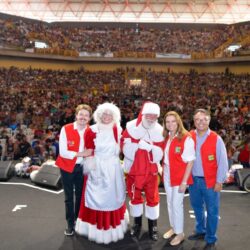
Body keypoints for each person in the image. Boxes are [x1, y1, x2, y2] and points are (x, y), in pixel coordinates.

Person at [75, 103, 129, 244]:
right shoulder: (91, 131)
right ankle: (95, 228)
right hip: (97, 168)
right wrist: (72, 155)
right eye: (104, 114)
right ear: (99, 115)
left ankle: (113, 227)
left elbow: (123, 148)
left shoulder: (118, 129)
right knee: (96, 198)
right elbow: (88, 151)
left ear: (114, 116)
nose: (106, 117)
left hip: (113, 168)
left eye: (109, 114)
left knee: (114, 197)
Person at [121, 102, 164, 241]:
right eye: (149, 115)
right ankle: (137, 225)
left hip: (151, 172)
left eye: (154, 116)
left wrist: (151, 148)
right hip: (134, 171)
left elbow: (161, 152)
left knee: (153, 198)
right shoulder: (130, 127)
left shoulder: (159, 130)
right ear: (143, 114)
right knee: (135, 198)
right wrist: (136, 146)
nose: (151, 118)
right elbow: (124, 147)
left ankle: (153, 227)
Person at [188, 109, 228, 250]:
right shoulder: (189, 136)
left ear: (209, 120)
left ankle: (211, 237)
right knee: (197, 207)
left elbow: (223, 162)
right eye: (198, 119)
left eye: (204, 119)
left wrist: (219, 181)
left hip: (210, 181)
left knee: (212, 211)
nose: (201, 122)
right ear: (194, 121)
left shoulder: (216, 139)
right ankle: (200, 230)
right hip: (193, 181)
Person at [55, 104, 93, 236]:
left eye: (86, 115)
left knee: (81, 196)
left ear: (89, 118)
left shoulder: (91, 131)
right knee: (69, 197)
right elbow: (64, 152)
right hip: (67, 166)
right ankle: (70, 224)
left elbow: (94, 150)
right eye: (81, 114)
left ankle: (78, 220)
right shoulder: (66, 128)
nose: (83, 117)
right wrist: (82, 154)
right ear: (76, 115)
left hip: (83, 167)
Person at [162, 111, 195, 246]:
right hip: (168, 173)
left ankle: (180, 233)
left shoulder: (186, 138)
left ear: (178, 122)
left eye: (173, 121)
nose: (170, 124)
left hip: (180, 176)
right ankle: (174, 227)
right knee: (170, 202)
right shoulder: (167, 136)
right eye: (167, 122)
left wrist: (184, 181)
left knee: (177, 204)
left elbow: (190, 161)